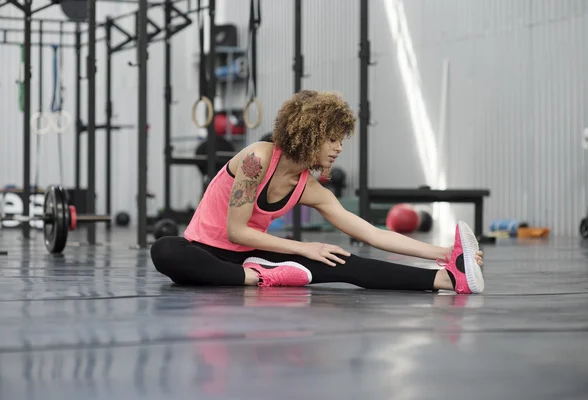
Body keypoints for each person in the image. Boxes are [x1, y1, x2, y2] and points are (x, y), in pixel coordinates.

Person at [151, 90, 485, 294]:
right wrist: (303, 248)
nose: (339, 148)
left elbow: (370, 232)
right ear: (308, 134)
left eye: (342, 140)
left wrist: (443, 253)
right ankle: (255, 279)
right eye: (332, 139)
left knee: (343, 261)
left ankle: (447, 280)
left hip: (252, 255)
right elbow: (235, 230)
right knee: (165, 250)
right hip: (204, 252)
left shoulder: (310, 188)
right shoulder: (256, 159)